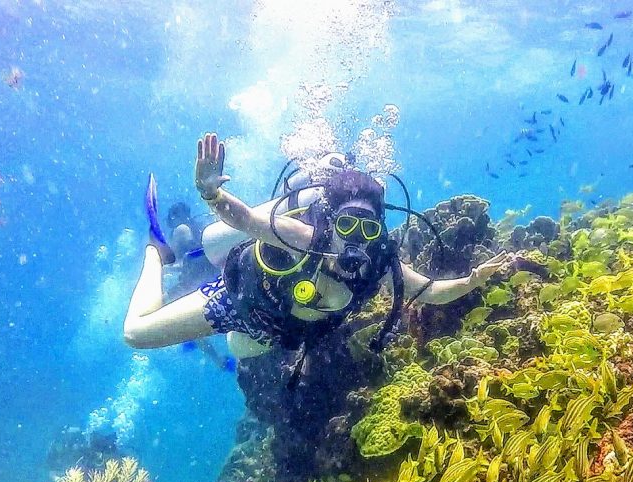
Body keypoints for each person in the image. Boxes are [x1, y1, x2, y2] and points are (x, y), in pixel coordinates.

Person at [123, 132, 510, 373]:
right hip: (241, 300)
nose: (356, 238)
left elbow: (428, 290)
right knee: (136, 333)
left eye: (368, 228)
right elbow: (243, 220)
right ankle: (158, 252)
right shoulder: (306, 235)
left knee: (237, 351)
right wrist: (210, 192)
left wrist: (472, 281)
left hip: (275, 333)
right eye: (346, 225)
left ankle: (197, 258)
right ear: (331, 221)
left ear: (379, 230)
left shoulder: (379, 259)